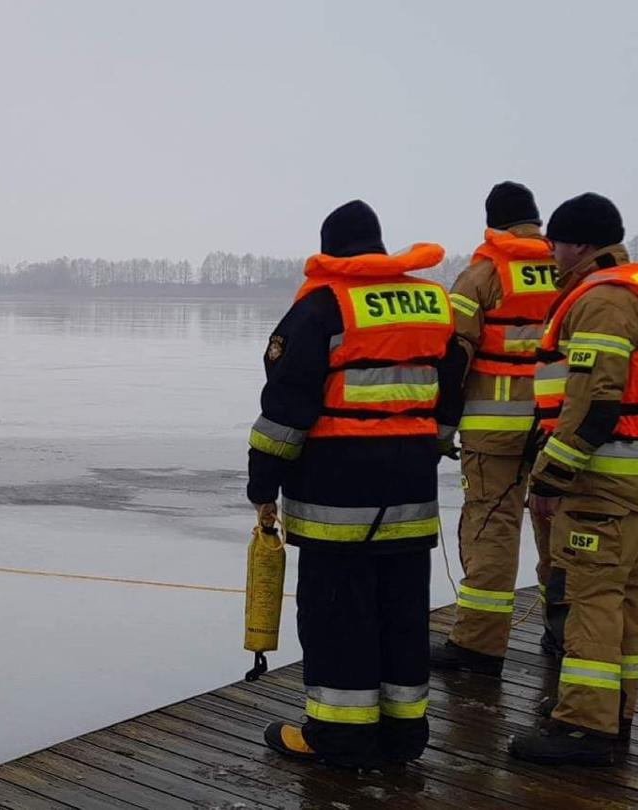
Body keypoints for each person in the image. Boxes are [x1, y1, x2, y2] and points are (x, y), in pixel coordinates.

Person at [249, 200, 465, 769]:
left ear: (329, 251)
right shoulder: (429, 304)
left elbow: (286, 410)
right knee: (402, 613)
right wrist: (428, 444)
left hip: (336, 498)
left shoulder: (323, 306)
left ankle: (338, 738)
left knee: (338, 615)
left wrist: (261, 484)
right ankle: (402, 735)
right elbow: (452, 384)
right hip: (412, 494)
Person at [510, 193, 638, 767]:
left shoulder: (604, 301)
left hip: (603, 481)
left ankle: (584, 726)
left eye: (557, 243)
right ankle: (617, 714)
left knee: (590, 599)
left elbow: (594, 405)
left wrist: (549, 477)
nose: (551, 254)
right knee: (626, 597)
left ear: (581, 244)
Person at [431, 182, 562, 677]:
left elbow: (453, 354)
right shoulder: (572, 272)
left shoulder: (483, 274)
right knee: (559, 526)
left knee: (491, 529)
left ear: (492, 222)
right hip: (558, 428)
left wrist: (442, 425)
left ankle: (479, 646)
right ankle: (563, 631)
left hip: (494, 430)